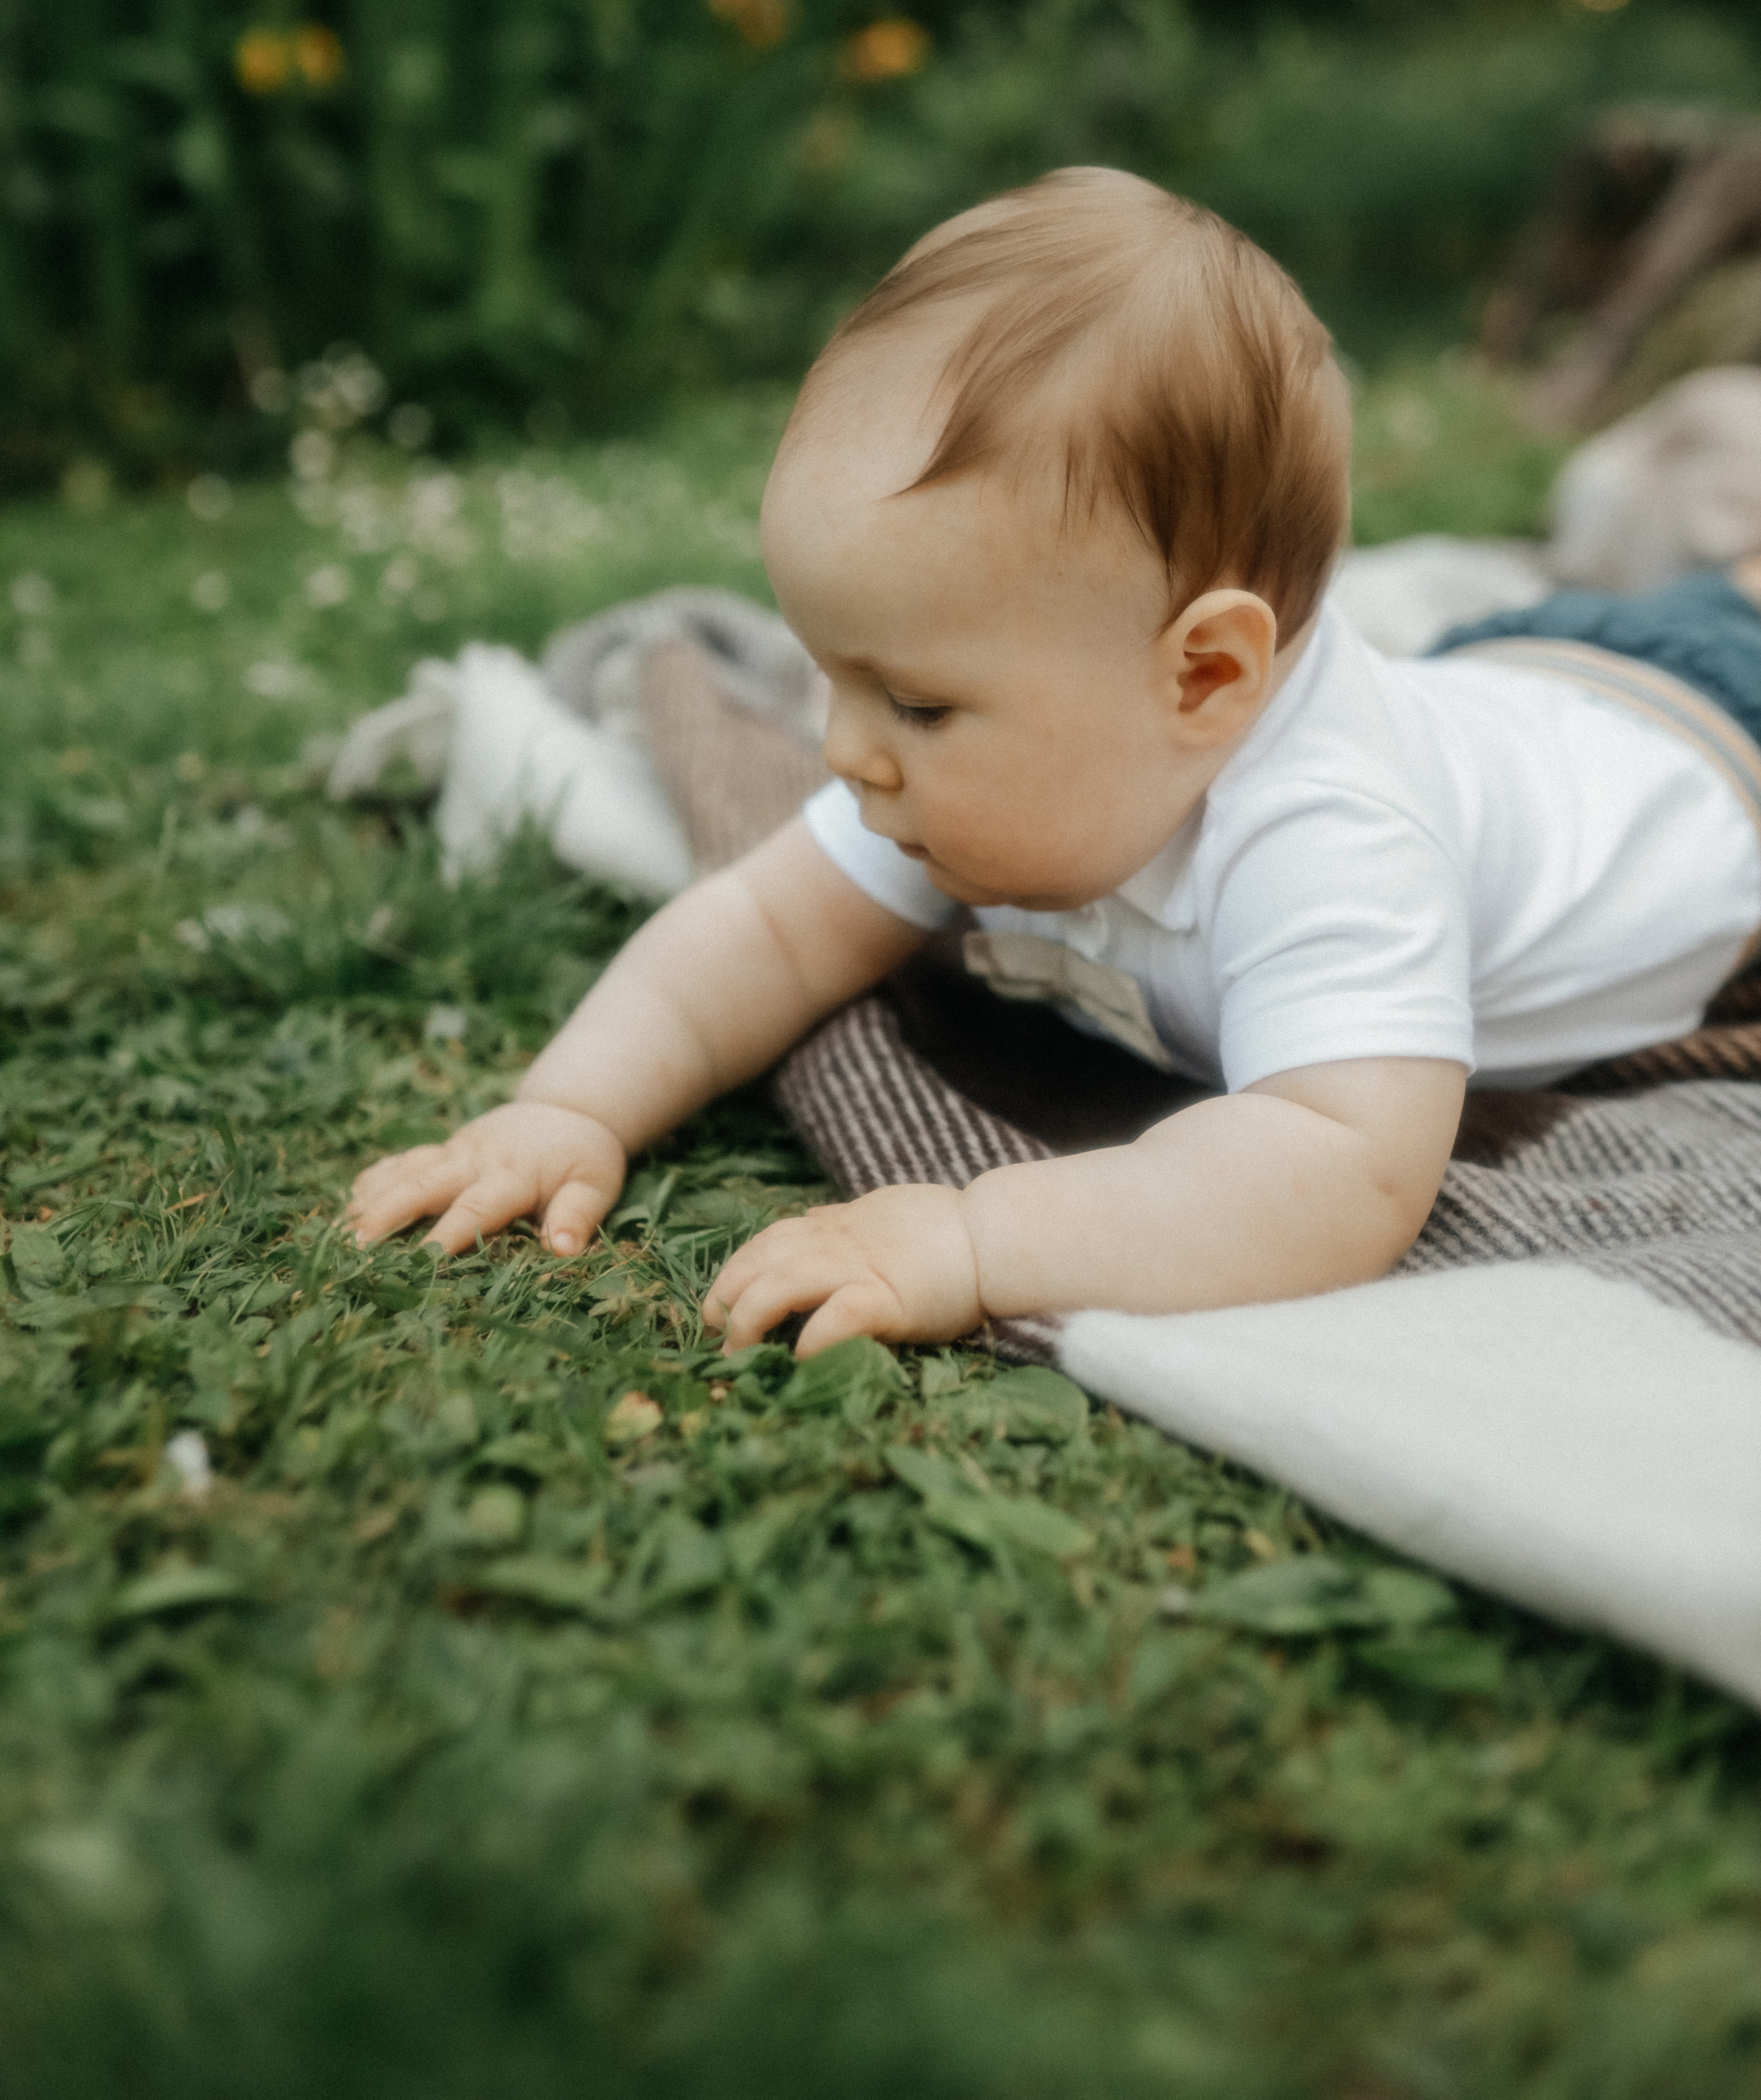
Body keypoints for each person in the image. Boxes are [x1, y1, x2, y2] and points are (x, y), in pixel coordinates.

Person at [345, 168, 1761, 1356]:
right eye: (834, 677)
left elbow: (1340, 1171)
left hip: (1707, 735)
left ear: (1204, 677)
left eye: (916, 704)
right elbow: (765, 928)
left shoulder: (1331, 838)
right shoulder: (1005, 769)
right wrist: (569, 1107)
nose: (844, 750)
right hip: (1520, 678)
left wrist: (977, 1235)